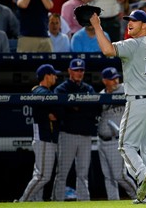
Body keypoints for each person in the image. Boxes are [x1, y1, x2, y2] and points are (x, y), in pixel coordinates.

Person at [90, 9, 146, 204]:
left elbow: (108, 50)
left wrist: (97, 26)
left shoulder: (133, 44)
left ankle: (142, 174)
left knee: (126, 145)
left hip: (139, 102)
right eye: (128, 20)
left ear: (145, 25)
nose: (130, 23)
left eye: (135, 21)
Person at [51, 58, 98, 201]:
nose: (79, 72)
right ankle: (56, 201)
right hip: (67, 135)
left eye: (81, 70)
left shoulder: (88, 89)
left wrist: (75, 108)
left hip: (85, 136)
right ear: (70, 71)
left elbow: (95, 110)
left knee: (83, 173)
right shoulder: (61, 89)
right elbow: (60, 112)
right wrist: (80, 109)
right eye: (76, 70)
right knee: (62, 173)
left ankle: (84, 202)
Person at [18, 64, 61, 202]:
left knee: (40, 174)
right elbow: (50, 101)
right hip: (43, 138)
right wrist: (49, 112)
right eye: (54, 74)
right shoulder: (38, 90)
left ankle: (37, 202)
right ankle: (23, 202)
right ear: (47, 76)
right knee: (42, 175)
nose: (56, 77)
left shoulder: (49, 92)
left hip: (49, 138)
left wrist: (52, 112)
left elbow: (59, 110)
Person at [98, 67, 137, 200]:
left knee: (119, 176)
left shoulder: (125, 89)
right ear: (104, 81)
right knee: (108, 177)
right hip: (102, 141)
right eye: (112, 79)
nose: (116, 81)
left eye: (117, 78)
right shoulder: (100, 94)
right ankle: (113, 202)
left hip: (118, 140)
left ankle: (139, 197)